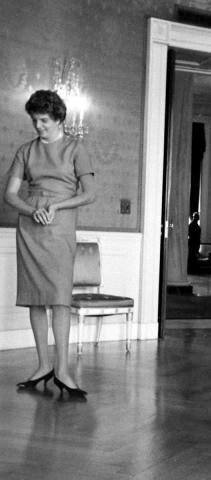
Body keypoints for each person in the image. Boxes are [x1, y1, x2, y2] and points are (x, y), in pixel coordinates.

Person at [4, 90, 95, 398]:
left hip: (60, 225)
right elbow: (10, 194)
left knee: (59, 298)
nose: (38, 125)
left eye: (43, 120)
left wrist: (58, 206)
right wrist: (32, 210)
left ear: (58, 118)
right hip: (30, 226)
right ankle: (43, 365)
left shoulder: (75, 148)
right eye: (34, 120)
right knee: (34, 297)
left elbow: (90, 193)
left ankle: (63, 370)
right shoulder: (26, 151)